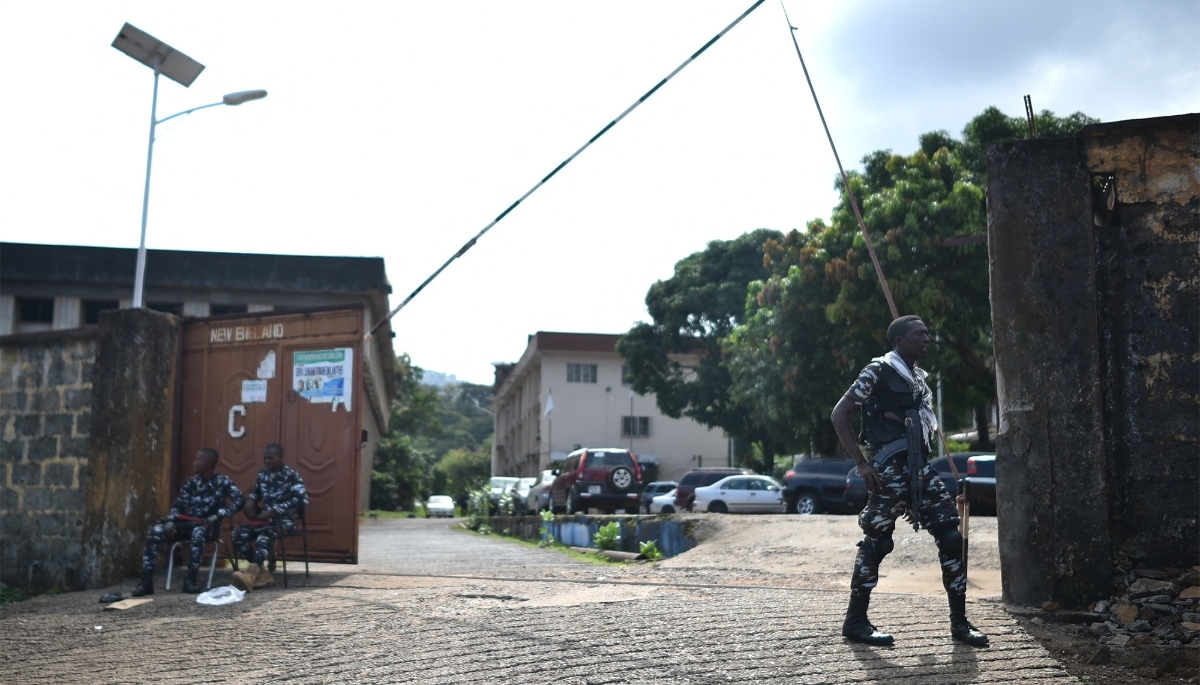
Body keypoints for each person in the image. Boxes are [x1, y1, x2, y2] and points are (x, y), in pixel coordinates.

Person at [830, 315, 988, 647]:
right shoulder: (878, 370)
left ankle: (959, 624)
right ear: (899, 340)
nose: (927, 338)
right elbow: (839, 414)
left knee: (951, 535)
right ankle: (855, 622)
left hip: (919, 468)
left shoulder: (918, 379)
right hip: (887, 470)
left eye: (928, 333)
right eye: (920, 334)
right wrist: (861, 463)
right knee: (877, 543)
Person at [133, 448, 244, 596]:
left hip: (208, 527)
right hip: (188, 525)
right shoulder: (191, 483)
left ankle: (190, 580)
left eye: (198, 459)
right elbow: (179, 505)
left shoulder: (223, 482)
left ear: (209, 463)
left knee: (199, 533)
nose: (194, 462)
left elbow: (240, 500)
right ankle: (146, 582)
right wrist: (170, 521)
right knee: (155, 532)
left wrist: (218, 515)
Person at [230, 443, 308, 591]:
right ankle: (261, 572)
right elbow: (256, 492)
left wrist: (275, 510)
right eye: (265, 458)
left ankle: (251, 574)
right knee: (237, 535)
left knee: (264, 536)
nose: (267, 461)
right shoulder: (262, 474)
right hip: (264, 519)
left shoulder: (291, 474)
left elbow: (301, 499)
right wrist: (251, 499)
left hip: (284, 519)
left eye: (271, 458)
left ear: (280, 457)